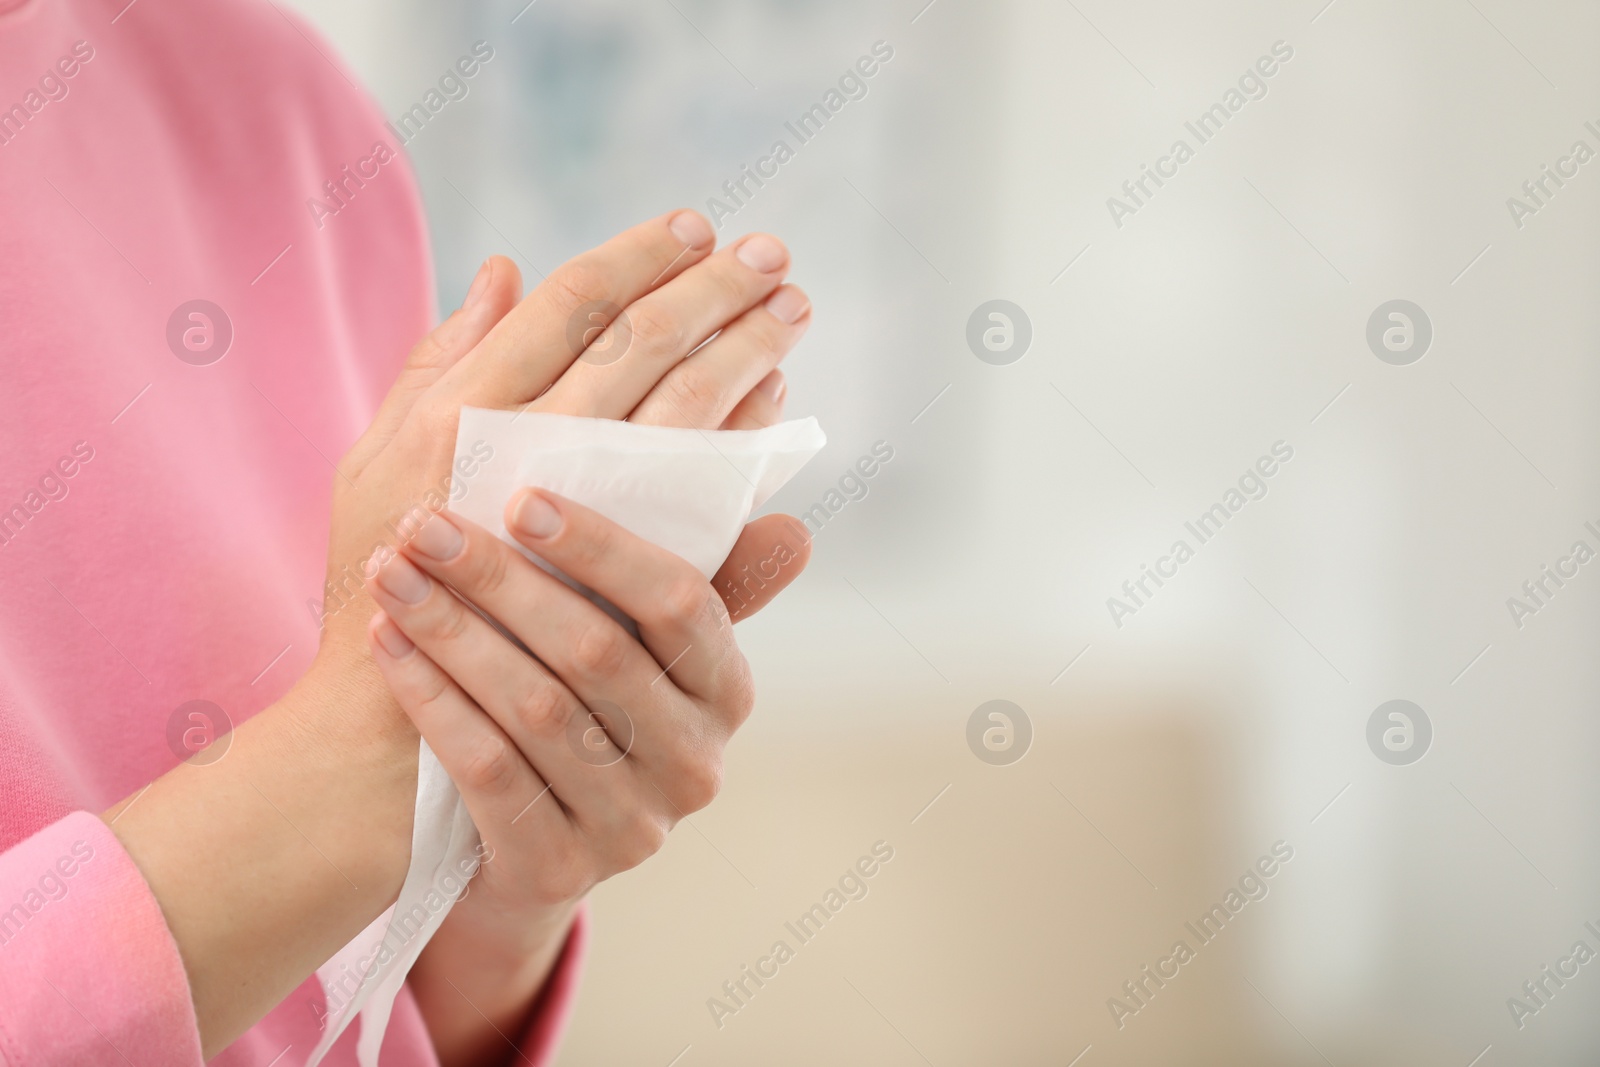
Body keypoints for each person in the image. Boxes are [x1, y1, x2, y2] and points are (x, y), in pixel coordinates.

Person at [0, 0, 813, 1063]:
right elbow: (350, 774)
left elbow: (354, 1011)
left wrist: (494, 854)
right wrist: (355, 766)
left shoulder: (274, 98)